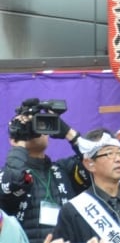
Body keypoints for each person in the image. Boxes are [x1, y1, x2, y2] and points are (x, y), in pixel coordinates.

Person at [0, 98, 88, 243]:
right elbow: (14, 180)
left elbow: (97, 163)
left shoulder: (64, 170)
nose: (34, 130)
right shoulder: (5, 176)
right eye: (28, 126)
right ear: (13, 139)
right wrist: (20, 142)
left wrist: (69, 134)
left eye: (39, 124)